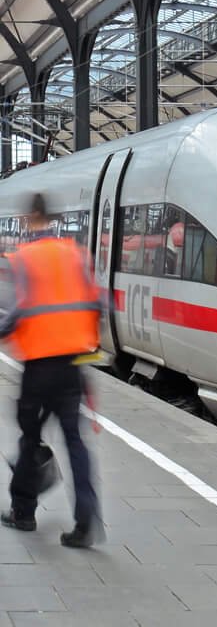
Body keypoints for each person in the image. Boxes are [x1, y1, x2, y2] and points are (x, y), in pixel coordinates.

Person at [0, 193, 103, 547]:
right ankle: (87, 520)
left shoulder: (25, 258)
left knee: (30, 437)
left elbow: (18, 310)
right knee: (76, 441)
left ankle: (23, 512)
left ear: (31, 217)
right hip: (73, 364)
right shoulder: (76, 254)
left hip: (40, 365)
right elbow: (96, 305)